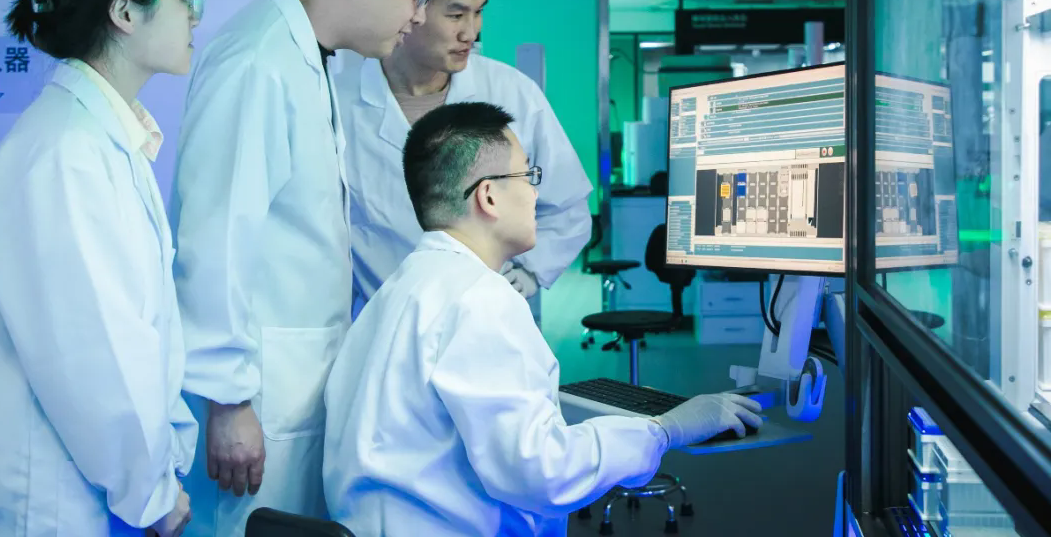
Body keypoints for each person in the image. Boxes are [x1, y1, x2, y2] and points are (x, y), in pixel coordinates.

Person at [322, 102, 763, 537]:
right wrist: (664, 430)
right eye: (527, 176)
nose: (536, 194)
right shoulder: (480, 299)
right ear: (488, 196)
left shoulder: (398, 290)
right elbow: (543, 473)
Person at [167, 0, 444, 537]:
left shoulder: (308, 58)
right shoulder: (257, 59)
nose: (420, 16)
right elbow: (215, 238)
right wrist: (228, 401)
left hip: (292, 382)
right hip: (254, 400)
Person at [0, 0, 202, 536]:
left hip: (89, 487)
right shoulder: (65, 153)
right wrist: (152, 491)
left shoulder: (101, 138)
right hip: (49, 501)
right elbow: (94, 354)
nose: (194, 15)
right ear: (125, 12)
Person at [335, 0, 592, 325]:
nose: (471, 32)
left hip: (489, 325)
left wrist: (529, 272)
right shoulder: (338, 102)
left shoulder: (511, 93)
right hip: (385, 329)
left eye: (478, 12)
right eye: (456, 15)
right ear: (412, 5)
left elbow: (568, 207)